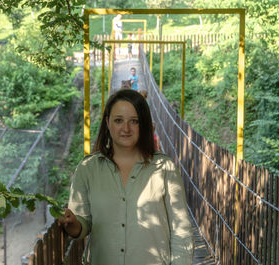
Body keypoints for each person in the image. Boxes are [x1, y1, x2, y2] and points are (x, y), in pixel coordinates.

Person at [59, 89, 194, 265]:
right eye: (118, 120)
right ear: (107, 122)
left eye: (134, 121)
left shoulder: (164, 168)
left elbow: (181, 230)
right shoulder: (87, 169)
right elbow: (82, 225)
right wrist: (71, 224)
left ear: (144, 124)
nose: (126, 128)